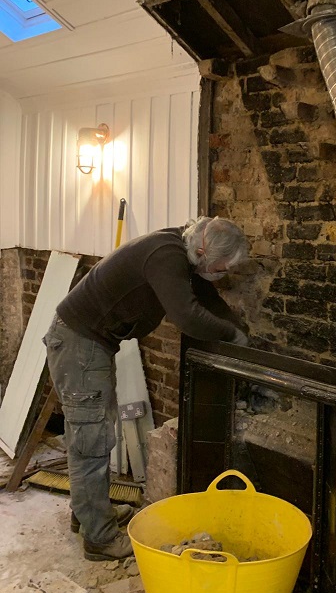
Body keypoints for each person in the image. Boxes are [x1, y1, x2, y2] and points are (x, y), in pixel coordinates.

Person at [43, 216, 249, 562]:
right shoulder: (165, 256)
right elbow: (186, 315)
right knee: (91, 442)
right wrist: (230, 335)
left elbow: (206, 299)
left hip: (89, 344)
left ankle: (90, 515)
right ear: (203, 251)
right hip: (79, 346)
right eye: (222, 268)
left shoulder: (181, 252)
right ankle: (100, 539)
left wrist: (240, 329)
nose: (222, 274)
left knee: (92, 437)